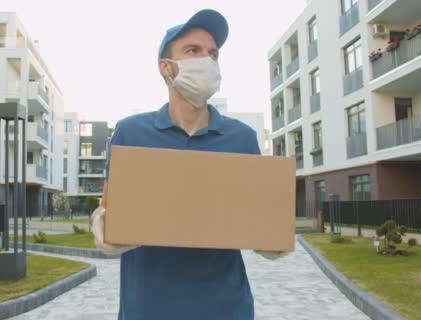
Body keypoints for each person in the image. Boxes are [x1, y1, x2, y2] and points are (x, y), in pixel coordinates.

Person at [91, 9, 287, 320]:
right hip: (148, 309)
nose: (207, 61)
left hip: (227, 309)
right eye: (193, 51)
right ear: (166, 68)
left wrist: (272, 240)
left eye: (213, 54)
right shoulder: (130, 132)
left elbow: (258, 221)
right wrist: (103, 228)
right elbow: (109, 209)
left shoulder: (243, 139)